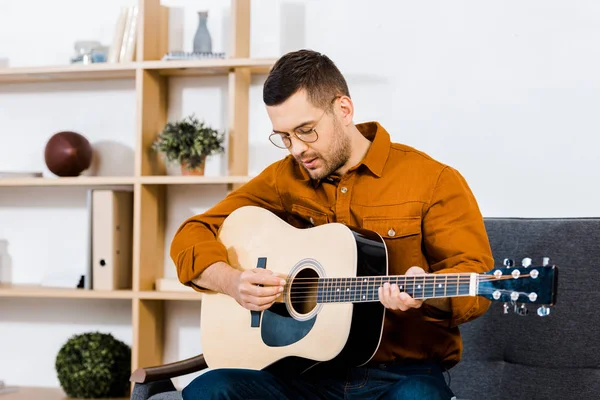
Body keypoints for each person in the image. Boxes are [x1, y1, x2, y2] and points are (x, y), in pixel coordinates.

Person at [170, 49, 494, 400]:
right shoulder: (284, 179)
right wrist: (232, 281)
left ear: (343, 110)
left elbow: (474, 278)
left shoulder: (433, 181)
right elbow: (192, 233)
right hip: (303, 374)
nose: (296, 149)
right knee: (209, 390)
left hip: (400, 375)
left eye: (306, 131)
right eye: (284, 136)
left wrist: (428, 292)